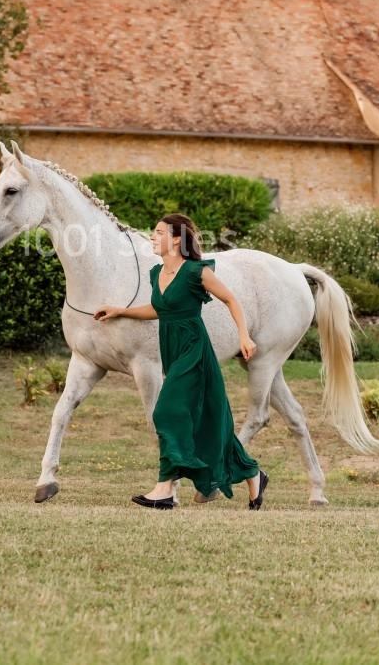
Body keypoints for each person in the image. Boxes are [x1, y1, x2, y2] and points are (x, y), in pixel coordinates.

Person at [94, 213, 268, 510]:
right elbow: (160, 308)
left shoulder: (195, 272)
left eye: (159, 232)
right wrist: (120, 311)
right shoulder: (157, 274)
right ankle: (252, 473)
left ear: (176, 239)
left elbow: (231, 300)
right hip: (172, 352)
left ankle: (163, 489)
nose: (152, 236)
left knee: (165, 412)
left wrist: (244, 336)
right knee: (209, 424)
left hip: (194, 351)